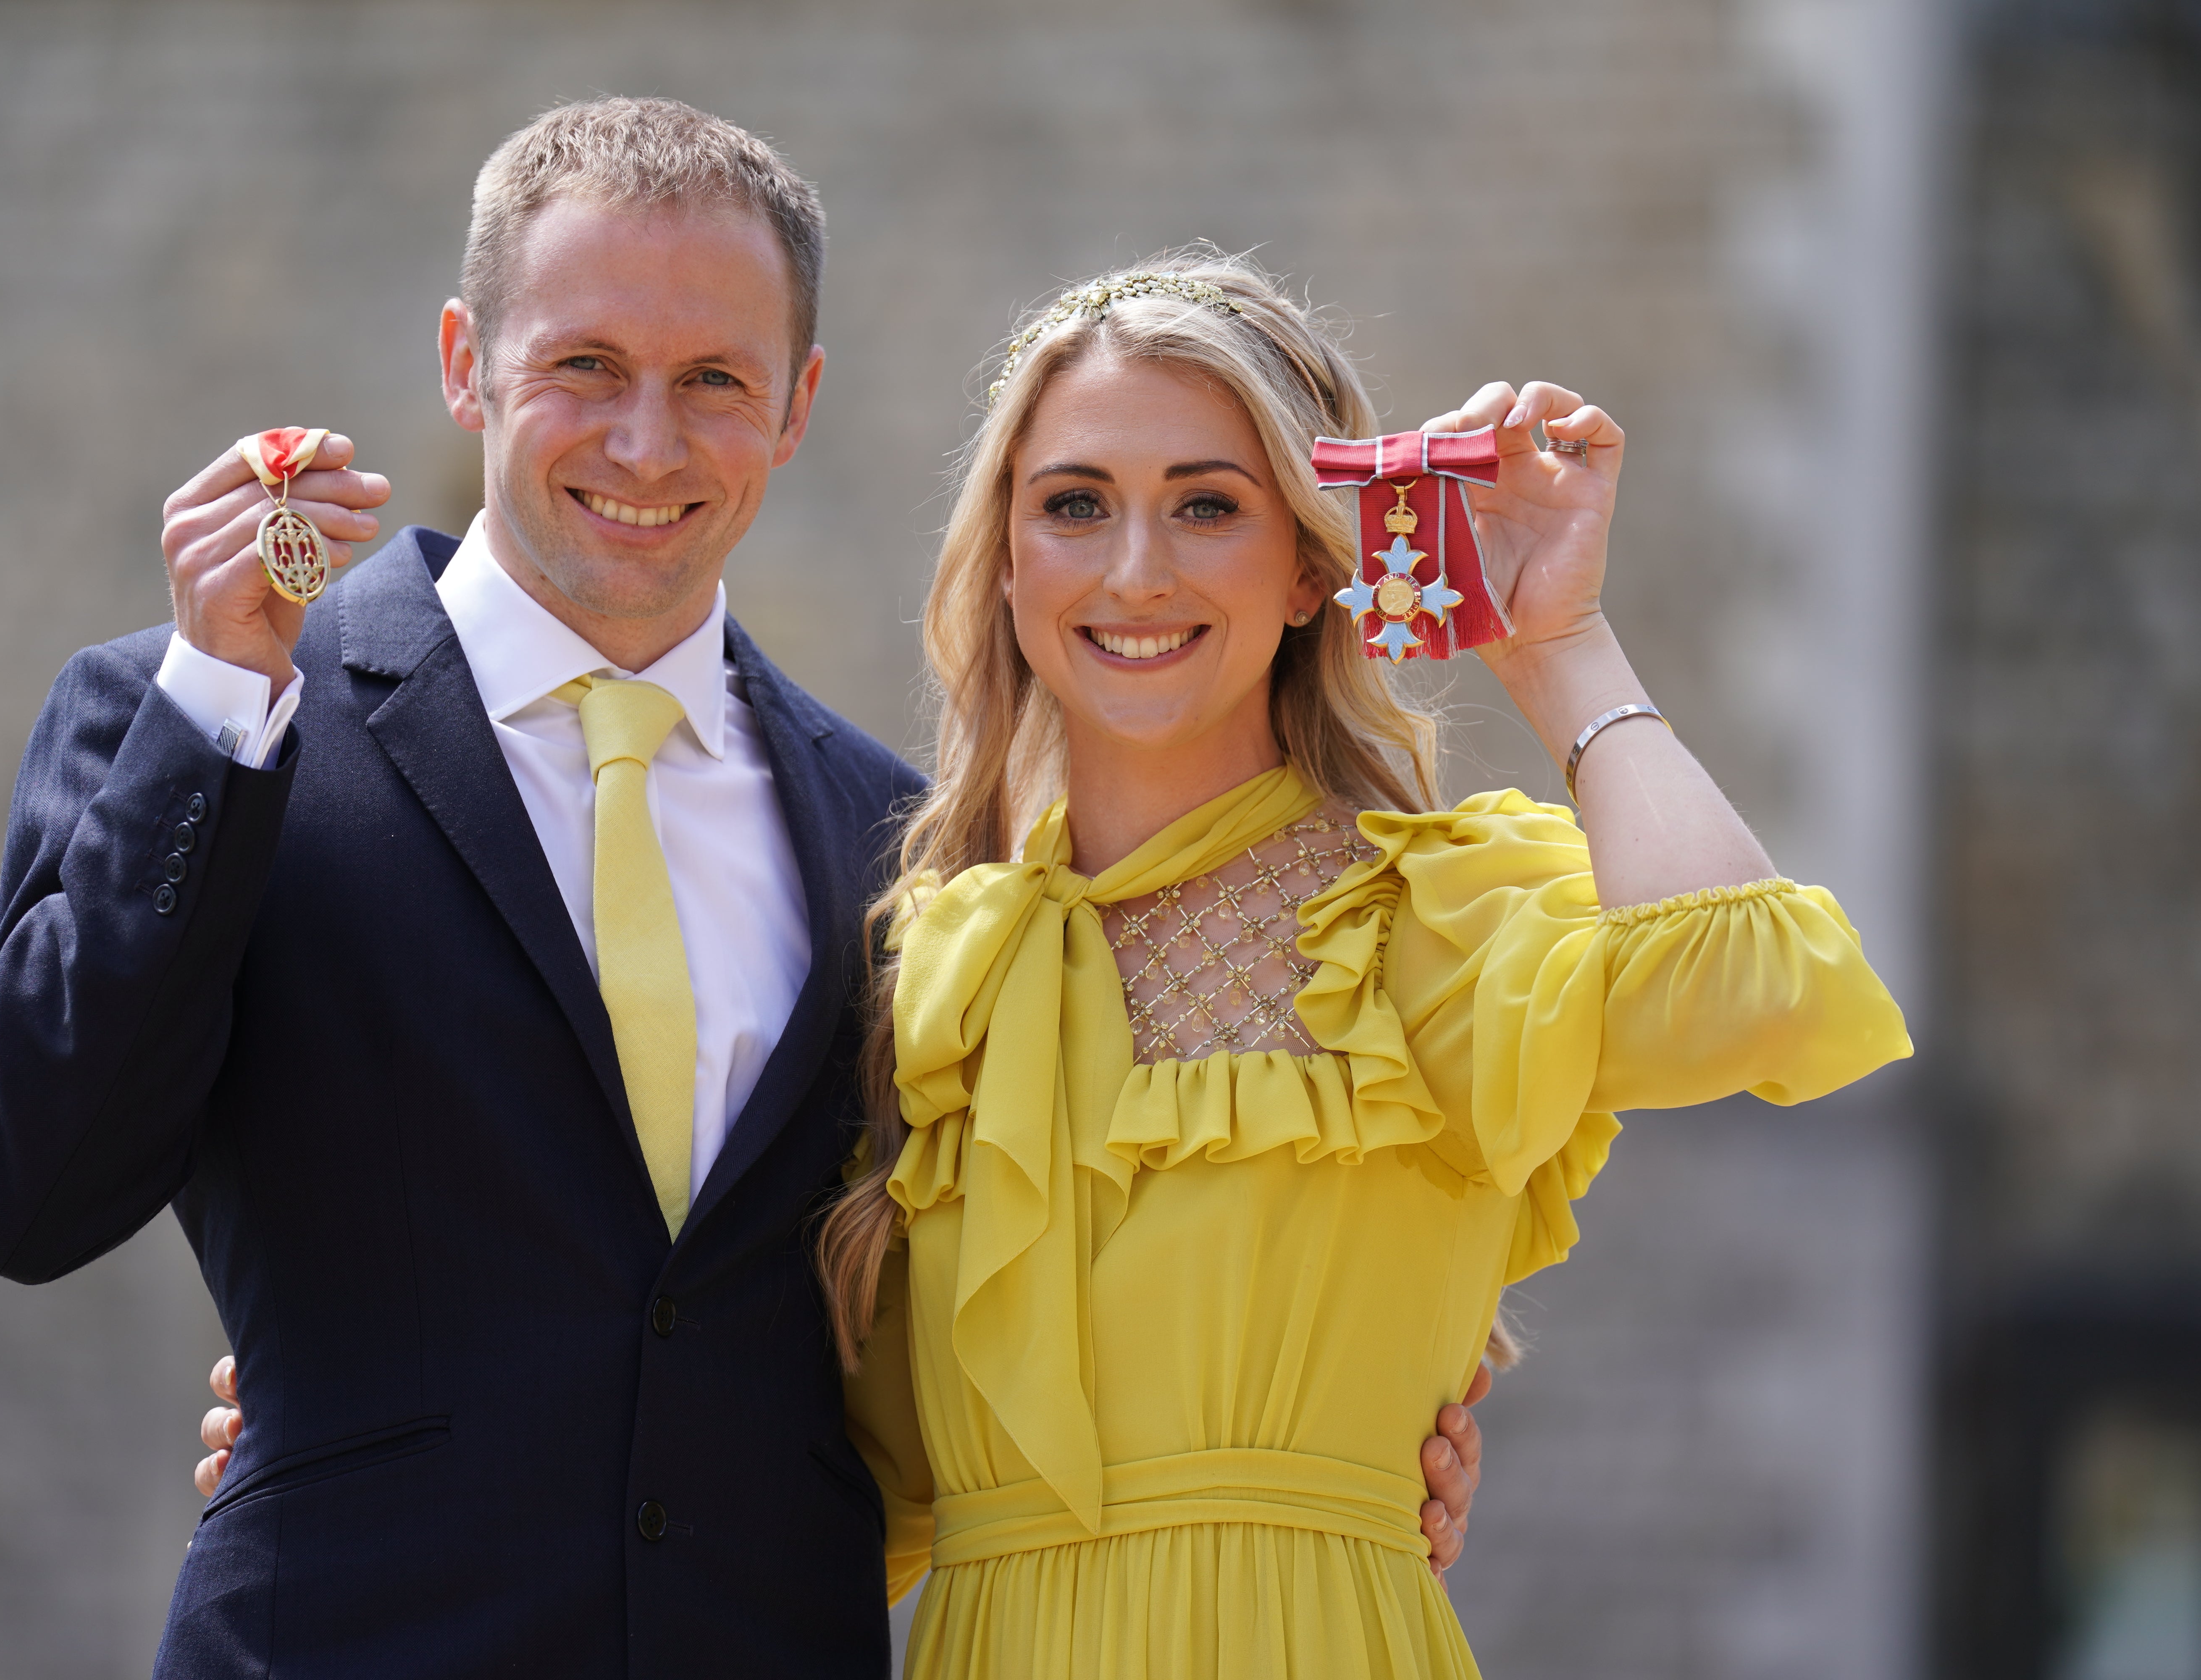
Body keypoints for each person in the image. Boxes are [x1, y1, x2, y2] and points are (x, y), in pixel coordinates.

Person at [0, 99, 1487, 1677]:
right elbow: (23, 1192)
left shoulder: (908, 844)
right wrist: (217, 705)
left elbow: (1004, 1275)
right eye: (585, 367)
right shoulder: (204, 719)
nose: (647, 443)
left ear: (798, 404)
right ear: (466, 359)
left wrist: (1370, 1435)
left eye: (714, 383)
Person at [811, 253, 1914, 1677]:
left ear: (1312, 565)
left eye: (1208, 506)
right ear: (1009, 559)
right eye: (1075, 505)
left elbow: (1759, 993)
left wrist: (1558, 643)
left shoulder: (1425, 917)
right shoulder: (929, 971)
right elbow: (833, 1493)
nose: (1134, 569)